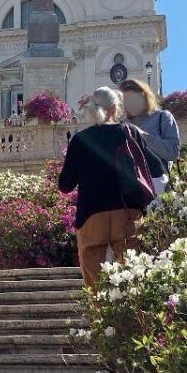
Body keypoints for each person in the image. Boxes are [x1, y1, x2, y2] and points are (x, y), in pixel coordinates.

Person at [60, 87, 157, 288]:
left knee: (95, 282)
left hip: (92, 215)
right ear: (114, 109)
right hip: (128, 212)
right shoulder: (130, 133)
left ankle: (98, 309)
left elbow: (65, 185)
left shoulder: (80, 140)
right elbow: (154, 167)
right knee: (131, 277)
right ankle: (129, 309)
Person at [119, 78, 180, 196]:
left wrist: (142, 135)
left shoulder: (163, 117)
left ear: (144, 97)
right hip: (127, 189)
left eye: (133, 100)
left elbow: (172, 152)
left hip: (156, 186)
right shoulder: (121, 123)